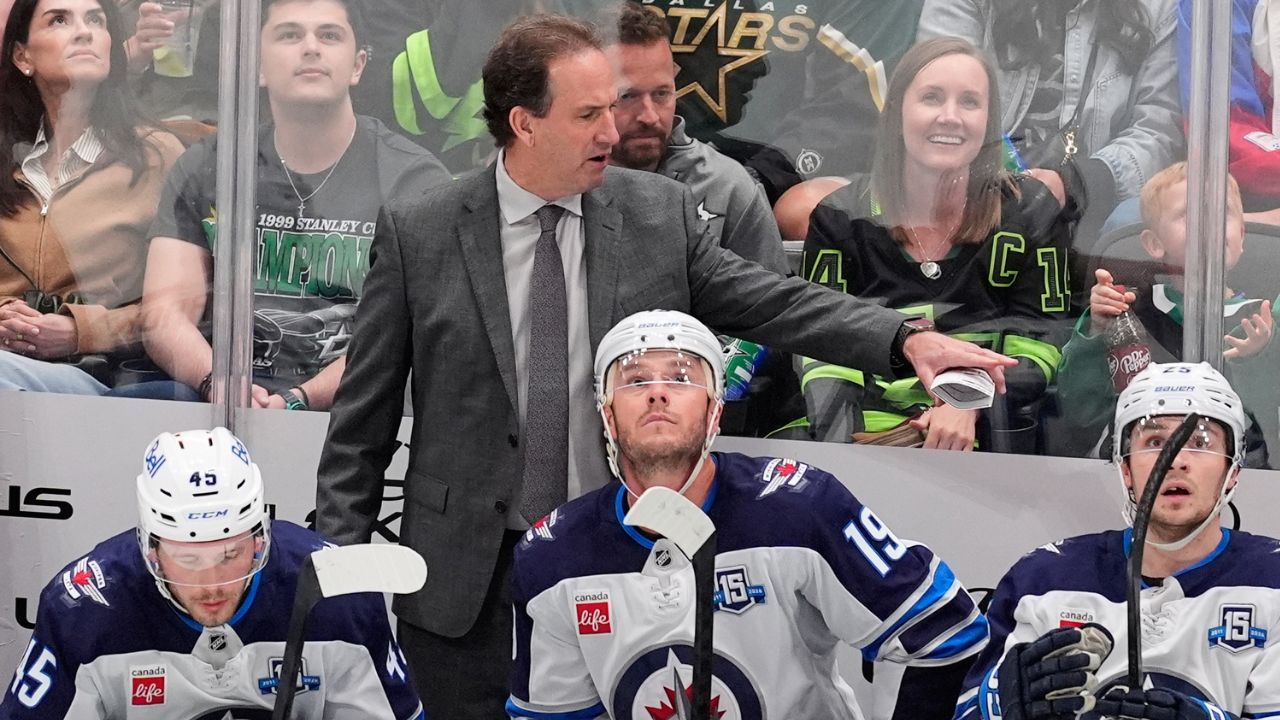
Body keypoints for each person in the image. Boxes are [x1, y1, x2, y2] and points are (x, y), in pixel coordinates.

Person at [315, 14, 1017, 719]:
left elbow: (773, 300)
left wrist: (905, 340)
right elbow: (361, 423)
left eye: (610, 107)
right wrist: (340, 580)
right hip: (462, 584)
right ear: (524, 123)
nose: (612, 131)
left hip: (618, 562)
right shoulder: (421, 228)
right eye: (589, 114)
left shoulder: (657, 212)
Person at [506, 310, 988, 719]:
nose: (657, 393)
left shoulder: (799, 507)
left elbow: (943, 631)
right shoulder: (553, 556)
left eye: (680, 378)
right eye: (635, 381)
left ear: (715, 410)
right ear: (607, 414)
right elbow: (552, 712)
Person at [136, 0, 449, 409]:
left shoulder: (413, 180)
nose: (311, 47)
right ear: (258, 67)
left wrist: (299, 399)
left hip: (359, 417)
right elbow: (164, 313)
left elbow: (411, 332)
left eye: (329, 35)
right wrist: (220, 384)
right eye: (289, 35)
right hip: (218, 406)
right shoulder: (208, 167)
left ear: (358, 65)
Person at [0, 427, 424, 718]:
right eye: (188, 560)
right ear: (151, 548)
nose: (212, 584)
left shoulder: (341, 598)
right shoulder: (83, 609)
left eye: (229, 554)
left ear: (259, 539)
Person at [955, 362, 1280, 720]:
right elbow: (969, 712)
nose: (1175, 461)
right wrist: (1000, 709)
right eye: (1155, 442)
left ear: (1232, 470)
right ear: (1125, 468)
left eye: (1200, 443)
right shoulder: (1043, 579)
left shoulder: (1273, 581)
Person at [790, 37, 1071, 452]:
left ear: (989, 119)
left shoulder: (1030, 211)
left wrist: (967, 400)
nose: (950, 117)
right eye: (932, 98)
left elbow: (1040, 345)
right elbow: (824, 345)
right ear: (897, 111)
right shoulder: (840, 217)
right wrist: (847, 451)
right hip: (862, 431)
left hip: (987, 432)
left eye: (970, 102)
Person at [0, 0, 184, 394]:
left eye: (96, 20)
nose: (84, 32)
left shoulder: (157, 156)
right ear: (22, 56)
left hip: (104, 378)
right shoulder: (6, 158)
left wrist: (80, 331)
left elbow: (191, 304)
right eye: (59, 20)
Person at [1056, 162, 1278, 462]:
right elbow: (1081, 413)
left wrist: (1260, 356)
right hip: (1136, 462)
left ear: (1241, 238)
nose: (1209, 224)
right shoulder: (1129, 310)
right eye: (1189, 214)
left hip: (1235, 469)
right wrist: (1097, 329)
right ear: (1154, 244)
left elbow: (1269, 426)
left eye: (1222, 212)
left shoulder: (1264, 320)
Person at [917, 0, 1182, 249]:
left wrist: (1077, 183)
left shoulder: (1156, 8)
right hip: (969, 202)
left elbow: (1157, 132)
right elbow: (935, 107)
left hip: (1087, 227)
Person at [603, 1, 786, 274]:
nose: (650, 116)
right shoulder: (560, 184)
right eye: (627, 96)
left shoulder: (727, 187)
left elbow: (770, 297)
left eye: (662, 94)